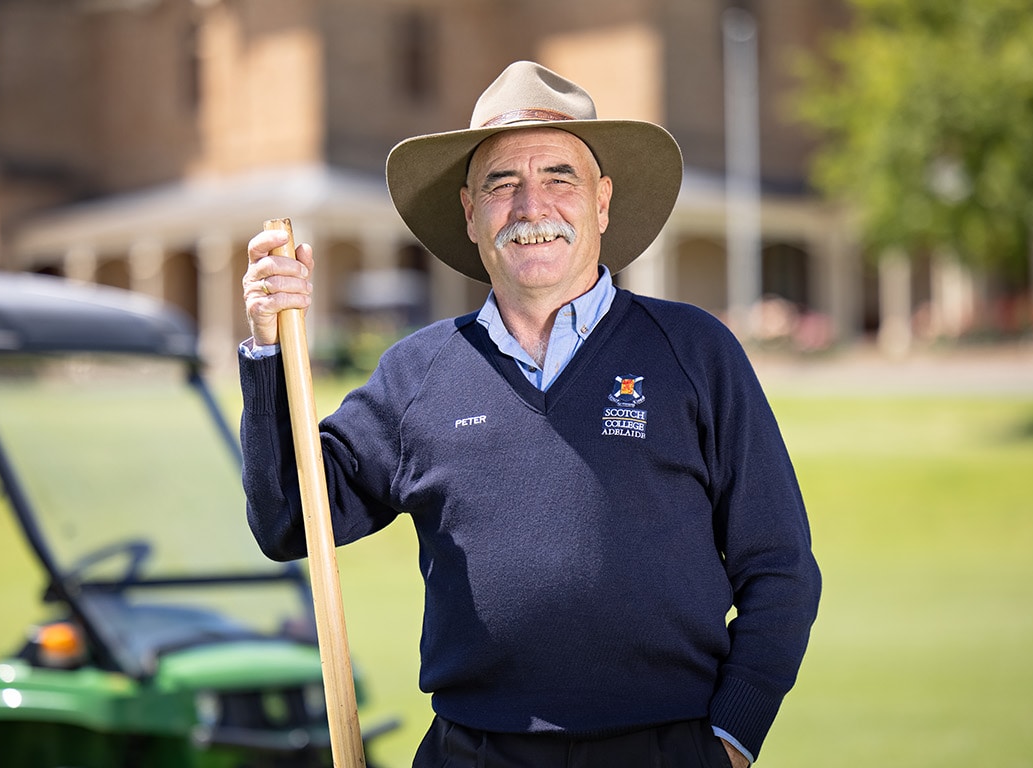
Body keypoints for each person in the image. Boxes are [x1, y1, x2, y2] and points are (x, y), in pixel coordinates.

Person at [238, 61, 820, 768]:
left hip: (667, 747)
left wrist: (734, 735)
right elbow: (290, 521)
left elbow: (780, 565)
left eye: (559, 177)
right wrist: (270, 349)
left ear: (602, 202)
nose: (530, 206)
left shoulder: (695, 350)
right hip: (472, 751)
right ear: (470, 211)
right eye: (501, 183)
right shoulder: (417, 373)